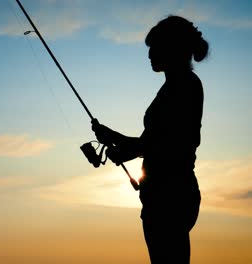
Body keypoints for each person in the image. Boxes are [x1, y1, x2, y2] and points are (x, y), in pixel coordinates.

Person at [92, 15, 209, 264]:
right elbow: (152, 141)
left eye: (154, 48)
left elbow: (169, 143)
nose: (149, 55)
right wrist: (112, 137)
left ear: (171, 48)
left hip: (171, 197)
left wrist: (126, 150)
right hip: (165, 194)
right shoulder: (174, 87)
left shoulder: (185, 86)